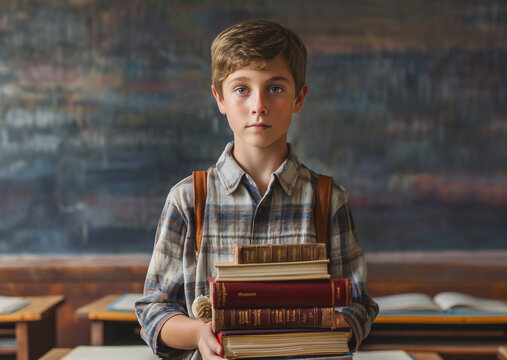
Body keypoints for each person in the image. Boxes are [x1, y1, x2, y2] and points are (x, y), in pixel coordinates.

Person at [135, 19, 379, 360]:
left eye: (275, 88)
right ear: (219, 98)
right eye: (241, 89)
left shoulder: (328, 199)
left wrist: (329, 325)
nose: (258, 105)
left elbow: (360, 306)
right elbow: (153, 310)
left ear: (299, 98)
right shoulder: (189, 198)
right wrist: (198, 333)